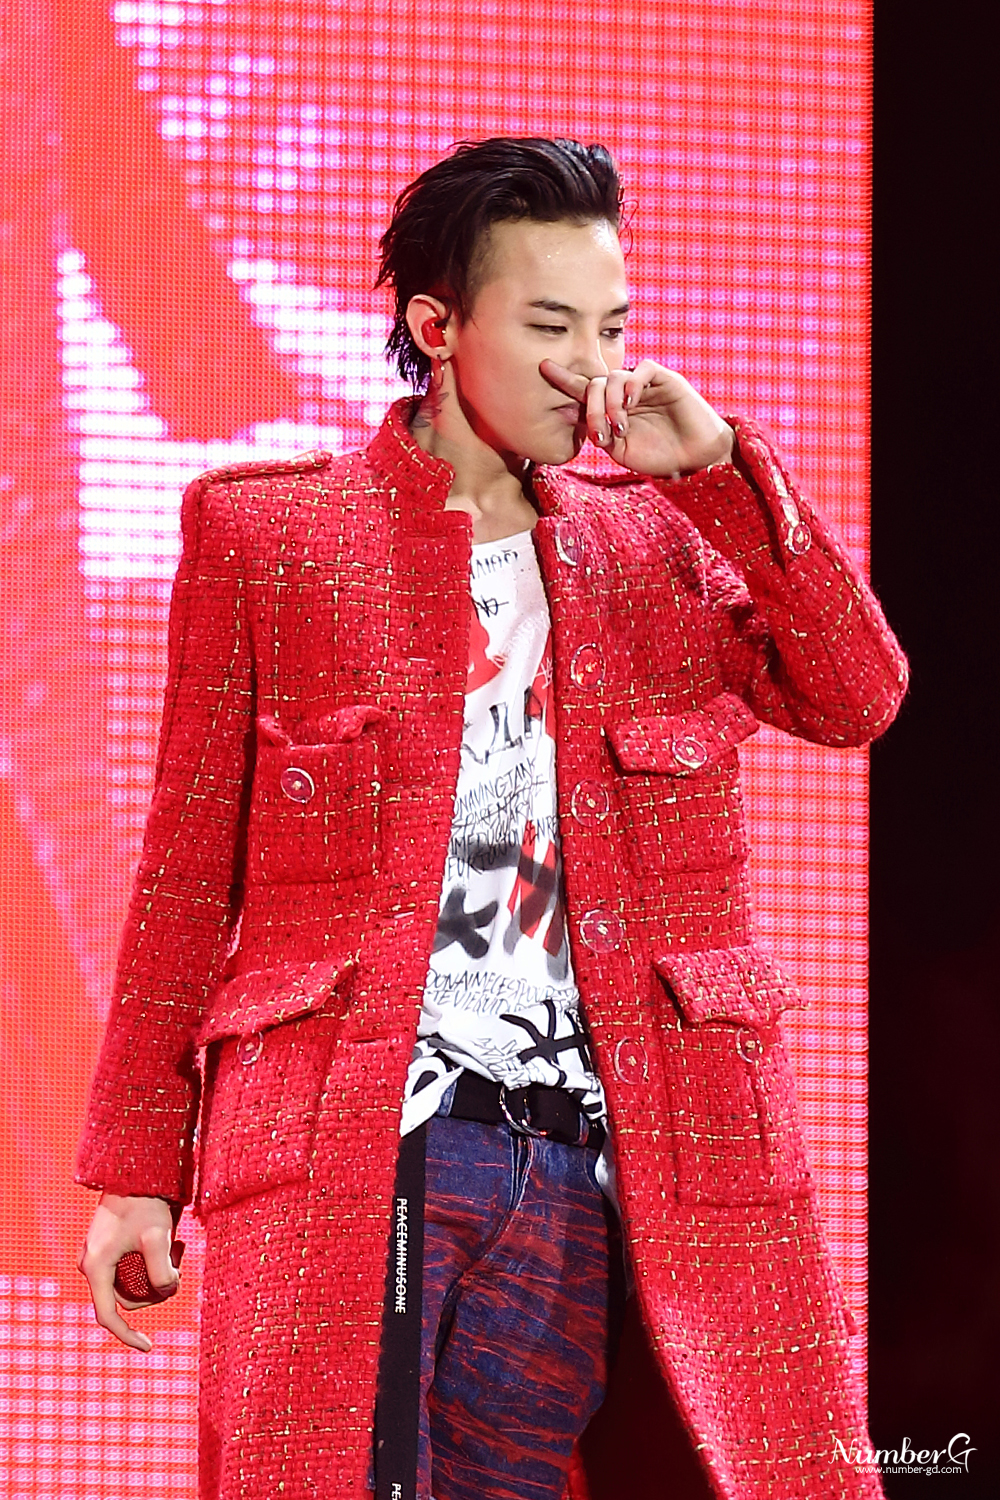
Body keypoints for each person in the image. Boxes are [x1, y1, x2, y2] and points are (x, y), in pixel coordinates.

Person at [76, 137, 907, 1500]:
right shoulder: (271, 538)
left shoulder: (661, 534)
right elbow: (184, 874)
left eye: (612, 328)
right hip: (355, 1143)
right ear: (436, 327)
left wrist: (719, 470)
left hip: (601, 1149)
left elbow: (858, 694)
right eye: (549, 326)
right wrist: (135, 1171)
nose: (590, 366)